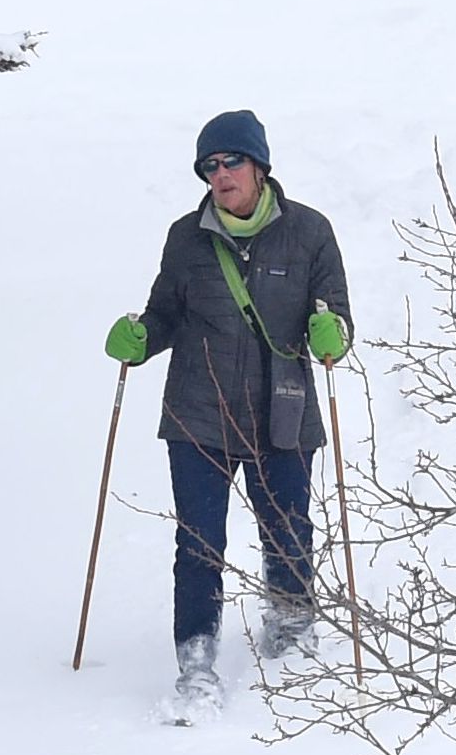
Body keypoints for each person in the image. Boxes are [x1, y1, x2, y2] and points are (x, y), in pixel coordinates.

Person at [103, 109, 352, 717]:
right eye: (208, 167)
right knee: (198, 543)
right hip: (197, 414)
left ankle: (292, 631)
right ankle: (197, 663)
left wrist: (331, 333)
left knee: (288, 529)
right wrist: (140, 336)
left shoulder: (310, 232)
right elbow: (164, 313)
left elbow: (341, 327)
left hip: (282, 412)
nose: (219, 175)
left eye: (230, 161)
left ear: (259, 166)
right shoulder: (186, 238)